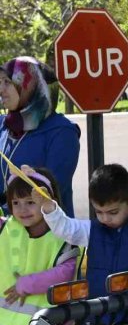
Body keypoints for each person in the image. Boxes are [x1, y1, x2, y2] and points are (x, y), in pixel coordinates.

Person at [1, 168, 78, 325]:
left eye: (30, 202)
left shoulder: (64, 233)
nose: (22, 209)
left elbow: (65, 272)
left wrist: (26, 284)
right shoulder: (5, 228)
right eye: (16, 203)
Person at [39, 163, 128, 298]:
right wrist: (49, 207)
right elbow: (66, 228)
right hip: (98, 314)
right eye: (99, 212)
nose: (105, 218)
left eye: (113, 212)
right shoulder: (92, 229)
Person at [0, 57, 80, 217]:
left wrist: (4, 210)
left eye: (7, 82)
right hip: (7, 235)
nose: (1, 89)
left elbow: (50, 189)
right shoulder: (4, 125)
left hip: (47, 235)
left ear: (30, 86)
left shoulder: (61, 131)